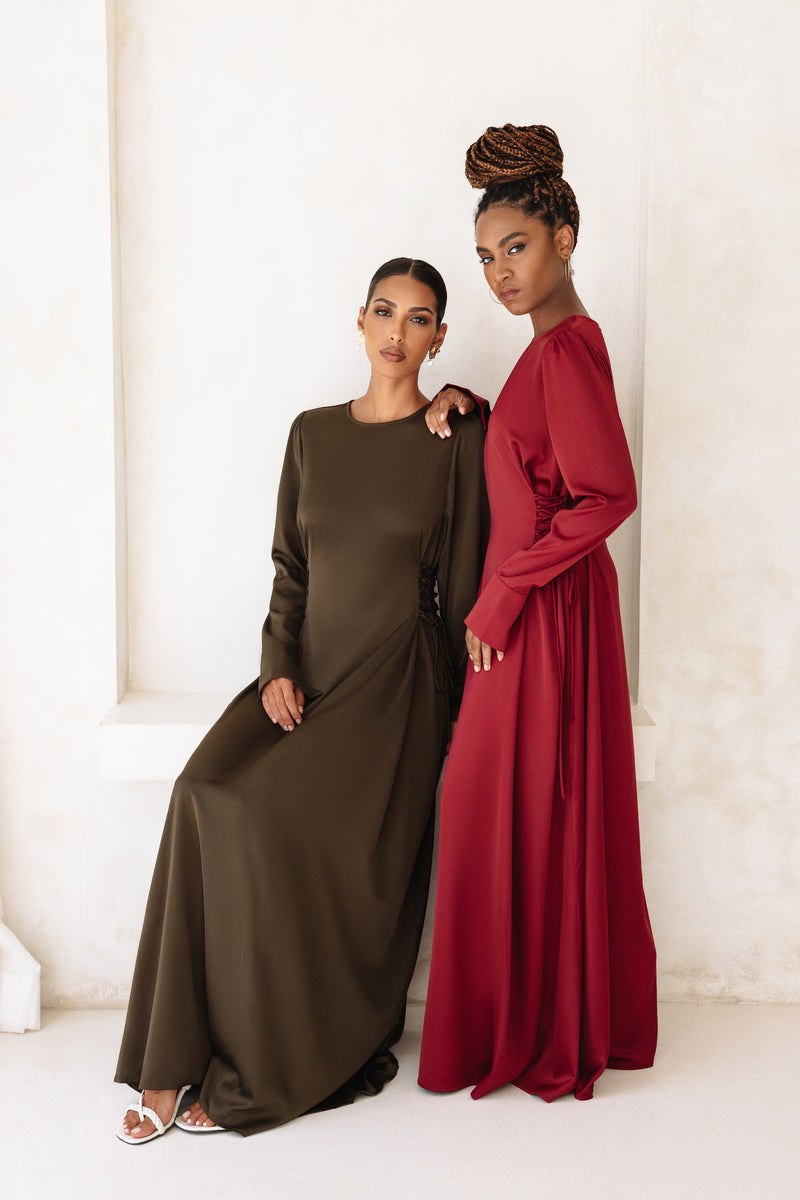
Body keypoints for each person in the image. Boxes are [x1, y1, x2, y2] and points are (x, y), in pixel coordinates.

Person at [115, 257, 487, 1141]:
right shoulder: (312, 433)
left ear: (440, 337)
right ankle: (169, 1063)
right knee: (200, 792)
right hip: (305, 671)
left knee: (260, 816)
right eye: (385, 312)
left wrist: (457, 717)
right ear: (360, 320)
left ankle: (266, 1061)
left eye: (420, 319)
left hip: (396, 683)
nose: (398, 332)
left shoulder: (456, 436)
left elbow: (466, 579)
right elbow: (291, 566)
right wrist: (278, 661)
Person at [419, 125, 658, 1103]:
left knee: (495, 803)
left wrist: (505, 594)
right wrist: (480, 409)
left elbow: (608, 496)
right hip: (540, 609)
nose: (498, 273)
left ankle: (525, 1025)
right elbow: (548, 464)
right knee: (503, 804)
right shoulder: (554, 352)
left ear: (564, 237)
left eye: (514, 247)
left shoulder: (564, 349)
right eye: (485, 257)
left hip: (540, 616)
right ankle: (530, 1014)